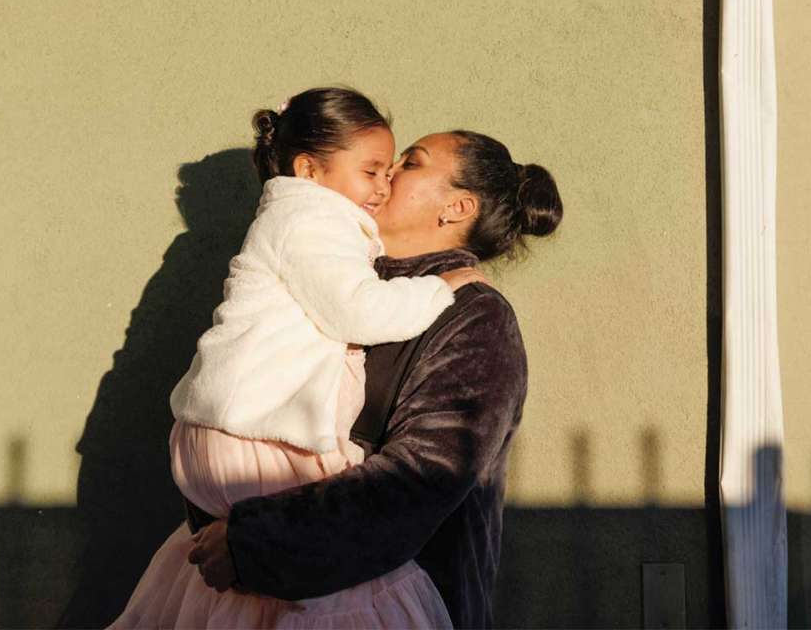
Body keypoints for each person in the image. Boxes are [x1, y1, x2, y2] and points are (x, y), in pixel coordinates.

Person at [108, 88, 484, 628]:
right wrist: (439, 290)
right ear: (310, 169)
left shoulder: (298, 219)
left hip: (227, 431)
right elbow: (357, 309)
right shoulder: (312, 223)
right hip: (255, 434)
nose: (385, 185)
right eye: (373, 171)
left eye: (392, 171)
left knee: (259, 596)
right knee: (353, 585)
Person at [188, 129, 563, 629]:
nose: (385, 173)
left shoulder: (474, 318)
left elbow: (417, 481)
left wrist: (250, 542)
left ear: (457, 208)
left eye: (411, 163)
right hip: (259, 599)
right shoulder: (332, 279)